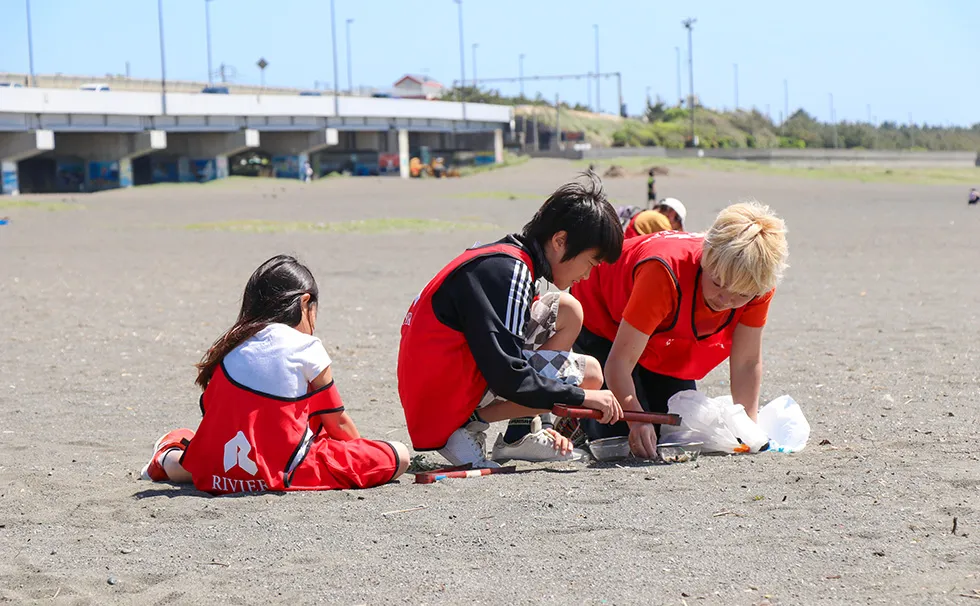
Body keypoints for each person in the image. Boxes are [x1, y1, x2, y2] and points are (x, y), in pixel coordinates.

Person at [397, 174, 625, 468]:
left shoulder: (505, 257)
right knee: (591, 374)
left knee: (567, 310)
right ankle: (466, 427)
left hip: (433, 382)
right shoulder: (511, 271)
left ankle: (519, 435)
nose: (587, 275)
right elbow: (508, 375)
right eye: (591, 263)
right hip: (441, 401)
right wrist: (582, 398)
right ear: (560, 241)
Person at [140, 255, 410, 494]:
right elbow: (338, 424)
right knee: (399, 454)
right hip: (283, 469)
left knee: (201, 463)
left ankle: (166, 455)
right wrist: (360, 452)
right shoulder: (307, 347)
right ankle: (172, 452)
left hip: (221, 470)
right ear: (305, 302)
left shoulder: (231, 344)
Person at [567, 201, 788, 459]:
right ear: (705, 258)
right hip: (602, 316)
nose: (725, 300)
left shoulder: (757, 284)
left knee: (676, 429)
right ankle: (575, 422)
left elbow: (746, 362)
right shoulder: (663, 271)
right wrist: (636, 420)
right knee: (619, 437)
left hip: (662, 332)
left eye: (740, 295)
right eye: (717, 283)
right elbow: (619, 363)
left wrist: (748, 429)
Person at [622, 198, 687, 238]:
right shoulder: (659, 219)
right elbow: (672, 240)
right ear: (672, 212)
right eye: (676, 228)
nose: (673, 228)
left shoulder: (649, 213)